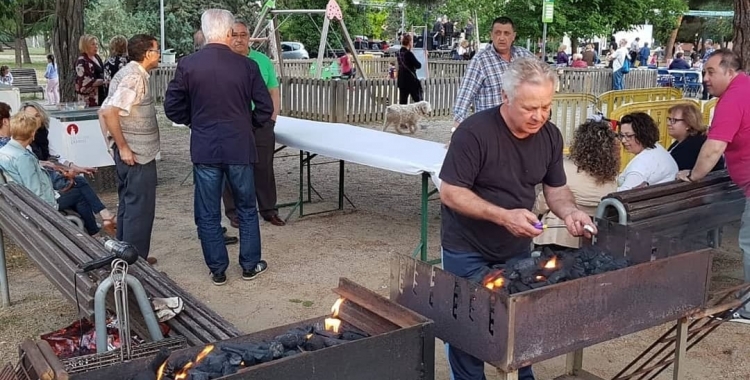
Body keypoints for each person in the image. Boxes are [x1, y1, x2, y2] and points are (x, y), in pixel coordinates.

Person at [440, 57, 597, 380]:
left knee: (520, 323)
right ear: (505, 97)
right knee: (470, 325)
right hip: (466, 246)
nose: (538, 116)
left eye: (545, 106)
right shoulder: (474, 133)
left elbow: (557, 191)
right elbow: (451, 192)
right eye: (529, 108)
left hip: (516, 248)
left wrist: (570, 212)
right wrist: (502, 216)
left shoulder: (550, 135)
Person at [164, 9, 274, 286]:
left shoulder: (188, 64)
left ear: (204, 31)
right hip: (239, 145)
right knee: (247, 208)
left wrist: (195, 121)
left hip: (206, 146)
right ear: (227, 32)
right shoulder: (246, 65)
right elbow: (265, 108)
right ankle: (249, 264)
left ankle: (218, 269)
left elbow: (172, 107)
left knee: (207, 211)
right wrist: (247, 124)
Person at [675, 49, 750, 321]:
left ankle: (749, 308)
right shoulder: (746, 88)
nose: (705, 77)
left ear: (730, 72)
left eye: (710, 72)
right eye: (704, 71)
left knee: (749, 242)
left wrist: (694, 176)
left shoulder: (731, 100)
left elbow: (713, 148)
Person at [98, 34, 162, 265]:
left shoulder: (127, 73)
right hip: (137, 156)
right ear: (147, 54)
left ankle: (123, 256)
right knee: (140, 211)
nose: (159, 55)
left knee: (127, 205)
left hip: (130, 154)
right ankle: (135, 265)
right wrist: (122, 147)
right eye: (157, 50)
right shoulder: (135, 77)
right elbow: (109, 112)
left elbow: (102, 111)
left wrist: (111, 146)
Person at [0, 113, 106, 237]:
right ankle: (95, 232)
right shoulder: (23, 158)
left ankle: (94, 230)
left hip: (23, 202)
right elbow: (34, 190)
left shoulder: (5, 151)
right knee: (79, 194)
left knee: (78, 188)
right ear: (32, 134)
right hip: (40, 206)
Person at [224, 20, 285, 227]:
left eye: (243, 35)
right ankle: (234, 213)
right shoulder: (223, 60)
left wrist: (272, 118)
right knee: (232, 166)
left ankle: (268, 210)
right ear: (227, 37)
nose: (239, 39)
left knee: (264, 167)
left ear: (249, 37)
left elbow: (273, 91)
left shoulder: (262, 60)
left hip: (261, 120)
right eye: (234, 35)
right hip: (232, 120)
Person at [533, 120, 619, 249]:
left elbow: (544, 202)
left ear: (579, 144)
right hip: (590, 237)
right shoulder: (611, 179)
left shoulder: (564, 169)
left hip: (557, 236)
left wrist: (533, 216)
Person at [452, 17, 534, 127]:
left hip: (521, 127)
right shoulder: (480, 60)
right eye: (498, 33)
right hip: (490, 129)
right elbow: (464, 96)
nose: (501, 37)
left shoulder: (525, 56)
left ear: (513, 36)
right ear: (491, 35)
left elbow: (541, 82)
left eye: (506, 33)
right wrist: (457, 129)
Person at [617, 112, 678, 191]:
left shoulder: (640, 165)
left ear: (643, 134)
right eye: (621, 135)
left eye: (629, 136)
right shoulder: (658, 150)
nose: (623, 140)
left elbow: (622, 195)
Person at [666, 102, 724, 171]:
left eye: (674, 120)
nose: (668, 123)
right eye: (669, 119)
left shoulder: (692, 146)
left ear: (688, 124)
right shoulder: (685, 140)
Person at [75, 35, 106, 107]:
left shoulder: (97, 57)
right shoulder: (82, 61)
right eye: (93, 44)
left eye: (96, 44)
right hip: (89, 99)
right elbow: (85, 81)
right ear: (86, 46)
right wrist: (104, 81)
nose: (96, 46)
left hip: (101, 94)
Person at [396, 34, 423, 105]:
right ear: (409, 42)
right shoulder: (409, 54)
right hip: (411, 80)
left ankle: (402, 116)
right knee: (418, 101)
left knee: (403, 103)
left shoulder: (398, 53)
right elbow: (418, 65)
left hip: (402, 80)